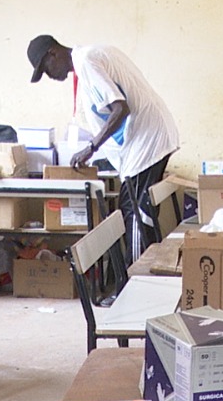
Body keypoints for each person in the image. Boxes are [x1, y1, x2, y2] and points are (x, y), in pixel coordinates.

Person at [27, 35, 179, 259]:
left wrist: (92, 147)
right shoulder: (89, 57)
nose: (49, 75)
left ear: (53, 53)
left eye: (46, 69)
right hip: (147, 140)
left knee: (136, 216)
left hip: (147, 143)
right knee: (132, 210)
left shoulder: (87, 62)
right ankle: (141, 278)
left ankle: (138, 281)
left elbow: (120, 109)